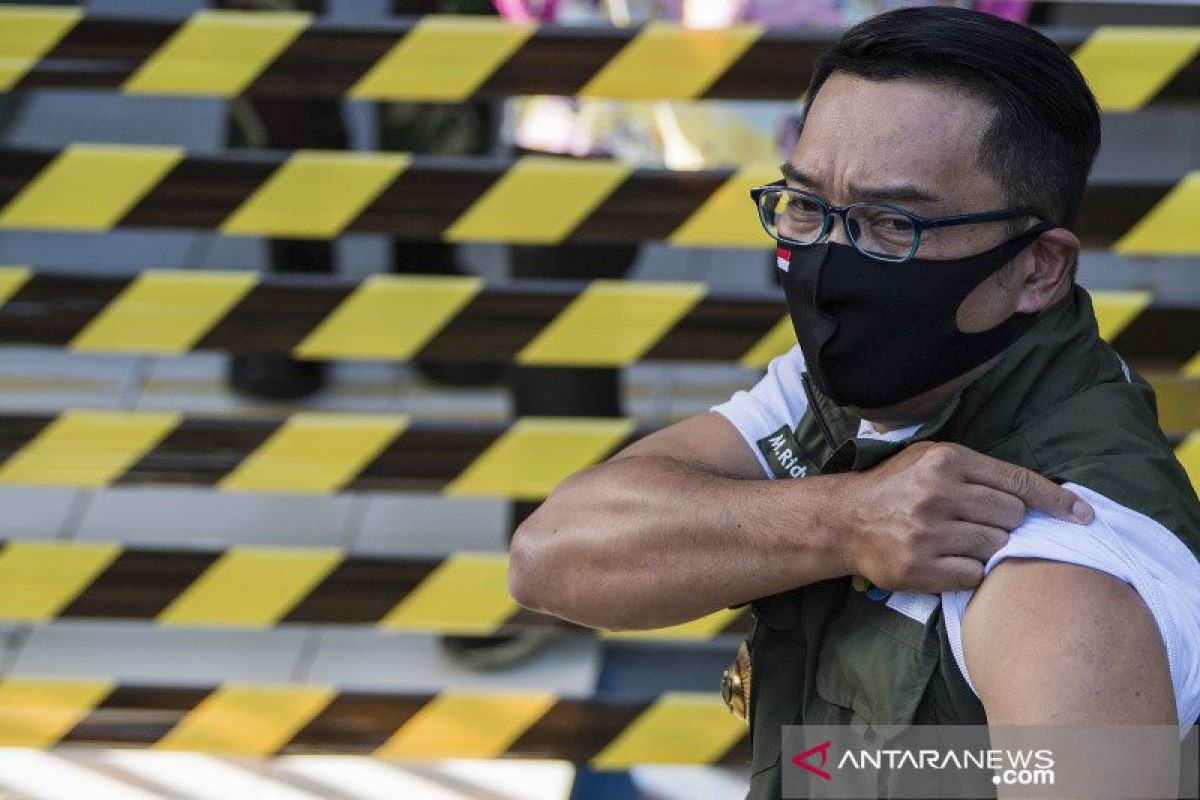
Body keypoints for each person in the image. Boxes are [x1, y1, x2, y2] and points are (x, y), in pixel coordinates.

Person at [507, 7, 1200, 798]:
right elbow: (551, 556)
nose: (831, 265)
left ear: (1038, 269)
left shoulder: (1061, 573)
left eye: (889, 223)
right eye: (806, 207)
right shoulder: (858, 389)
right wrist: (846, 519)